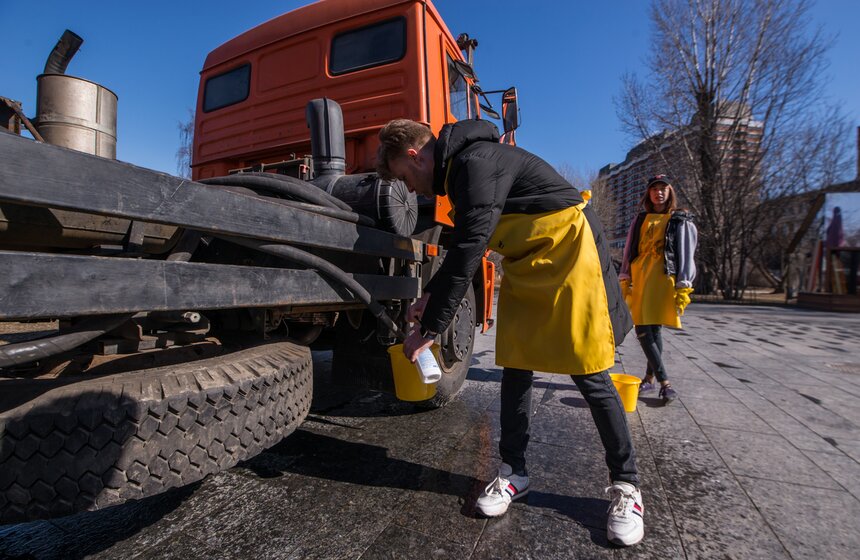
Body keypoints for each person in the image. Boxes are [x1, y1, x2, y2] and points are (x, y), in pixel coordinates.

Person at [376, 117, 644, 546]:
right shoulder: (461, 171)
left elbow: (469, 247)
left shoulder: (475, 162)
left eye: (405, 177)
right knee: (516, 367)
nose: (410, 189)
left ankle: (627, 487)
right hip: (525, 262)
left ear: (414, 155)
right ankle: (514, 472)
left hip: (569, 252)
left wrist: (429, 328)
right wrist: (431, 296)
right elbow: (464, 242)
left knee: (589, 371)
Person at [618, 175, 697, 405]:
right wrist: (625, 274)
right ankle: (663, 383)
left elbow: (686, 251)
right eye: (654, 189)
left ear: (670, 192)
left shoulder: (679, 219)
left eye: (663, 188)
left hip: (663, 278)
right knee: (644, 329)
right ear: (648, 193)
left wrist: (684, 281)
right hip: (641, 277)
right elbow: (629, 249)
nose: (658, 193)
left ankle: (654, 380)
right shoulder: (639, 219)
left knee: (653, 329)